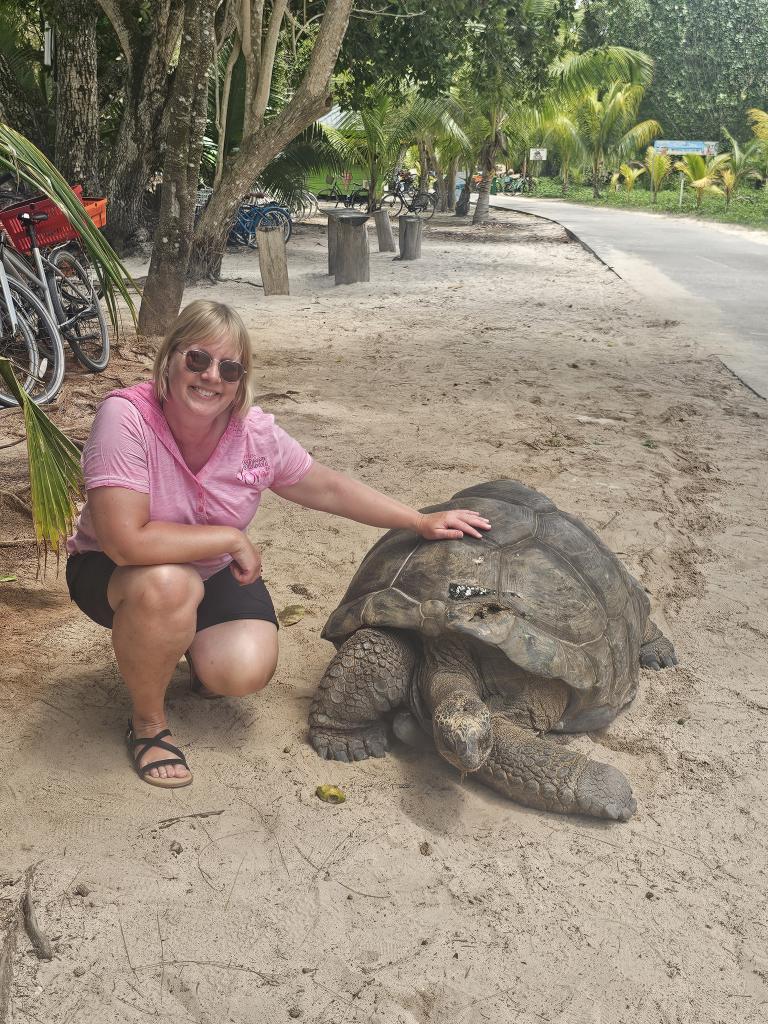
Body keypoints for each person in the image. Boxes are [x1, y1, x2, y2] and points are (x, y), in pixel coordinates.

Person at [65, 300, 491, 789]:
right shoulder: (126, 418)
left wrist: (417, 520)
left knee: (241, 672)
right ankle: (147, 723)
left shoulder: (253, 434)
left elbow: (326, 487)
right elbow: (125, 542)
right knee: (169, 584)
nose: (211, 376)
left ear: (241, 379)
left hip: (209, 569)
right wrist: (230, 538)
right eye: (197, 359)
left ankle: (188, 653)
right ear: (170, 358)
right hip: (117, 571)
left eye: (229, 368)